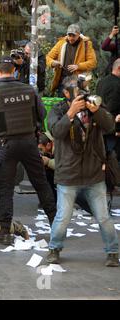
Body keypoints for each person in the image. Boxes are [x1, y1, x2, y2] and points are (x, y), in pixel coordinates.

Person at [0, 56, 56, 245]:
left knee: (6, 188)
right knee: (41, 184)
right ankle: (57, 226)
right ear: (14, 71)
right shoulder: (29, 90)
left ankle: (5, 231)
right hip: (29, 142)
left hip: (5, 145)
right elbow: (42, 114)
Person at [46, 76, 119, 267]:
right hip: (68, 175)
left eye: (83, 90)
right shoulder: (58, 110)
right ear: (66, 93)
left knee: (103, 217)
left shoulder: (93, 107)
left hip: (93, 174)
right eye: (77, 90)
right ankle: (54, 248)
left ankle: (112, 252)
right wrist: (70, 113)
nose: (81, 94)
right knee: (63, 217)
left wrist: (97, 112)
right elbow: (56, 132)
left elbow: (110, 126)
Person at [46, 24, 97, 96]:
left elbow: (93, 62)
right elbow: (48, 57)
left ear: (79, 35)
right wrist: (53, 63)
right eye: (69, 35)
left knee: (78, 104)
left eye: (74, 36)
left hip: (79, 82)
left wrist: (78, 66)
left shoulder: (86, 44)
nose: (71, 38)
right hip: (63, 82)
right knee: (63, 105)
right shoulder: (61, 43)